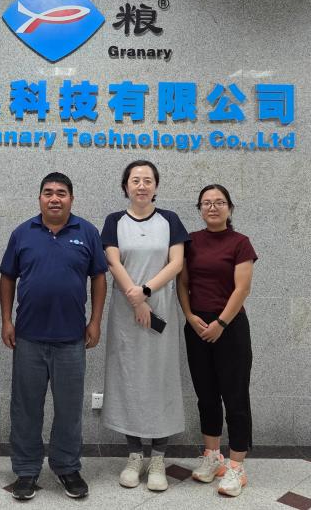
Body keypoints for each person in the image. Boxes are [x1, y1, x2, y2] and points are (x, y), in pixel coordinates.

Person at [0, 172, 108, 501]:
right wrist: (6, 320)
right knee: (25, 408)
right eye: (48, 192)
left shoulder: (87, 232)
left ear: (71, 199)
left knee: (69, 409)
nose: (54, 198)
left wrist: (95, 321)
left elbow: (99, 278)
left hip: (72, 339)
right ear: (40, 198)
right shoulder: (22, 233)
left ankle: (66, 467)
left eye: (61, 193)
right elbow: (7, 278)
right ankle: (26, 470)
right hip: (28, 338)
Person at [100, 160, 189, 491]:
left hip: (160, 307)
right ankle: (135, 455)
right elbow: (113, 262)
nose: (141, 186)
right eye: (135, 180)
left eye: (147, 180)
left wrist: (146, 292)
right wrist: (136, 301)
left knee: (160, 379)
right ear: (125, 186)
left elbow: (176, 263)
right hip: (126, 313)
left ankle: (158, 459)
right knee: (129, 379)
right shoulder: (114, 221)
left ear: (156, 186)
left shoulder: (170, 220)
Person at [177, 184, 257, 498]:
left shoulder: (240, 243)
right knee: (206, 395)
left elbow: (242, 288)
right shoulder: (190, 242)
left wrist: (221, 323)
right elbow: (183, 283)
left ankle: (237, 466)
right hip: (197, 327)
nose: (213, 207)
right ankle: (213, 457)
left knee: (235, 396)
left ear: (230, 208)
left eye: (219, 202)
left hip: (230, 328)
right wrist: (188, 315)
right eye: (207, 203)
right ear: (200, 209)